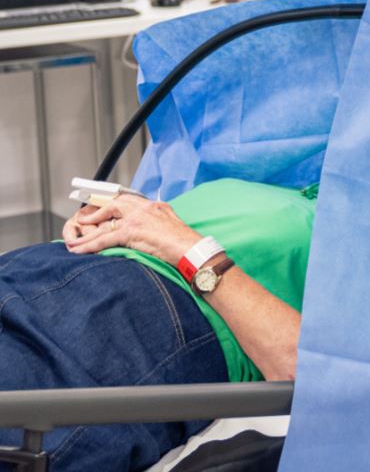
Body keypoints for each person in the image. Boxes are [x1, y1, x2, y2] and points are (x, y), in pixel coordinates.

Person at [0, 178, 313, 472]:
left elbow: (314, 375)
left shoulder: (359, 248)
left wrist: (191, 251)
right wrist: (118, 216)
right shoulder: (300, 184)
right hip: (41, 266)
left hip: (136, 312)